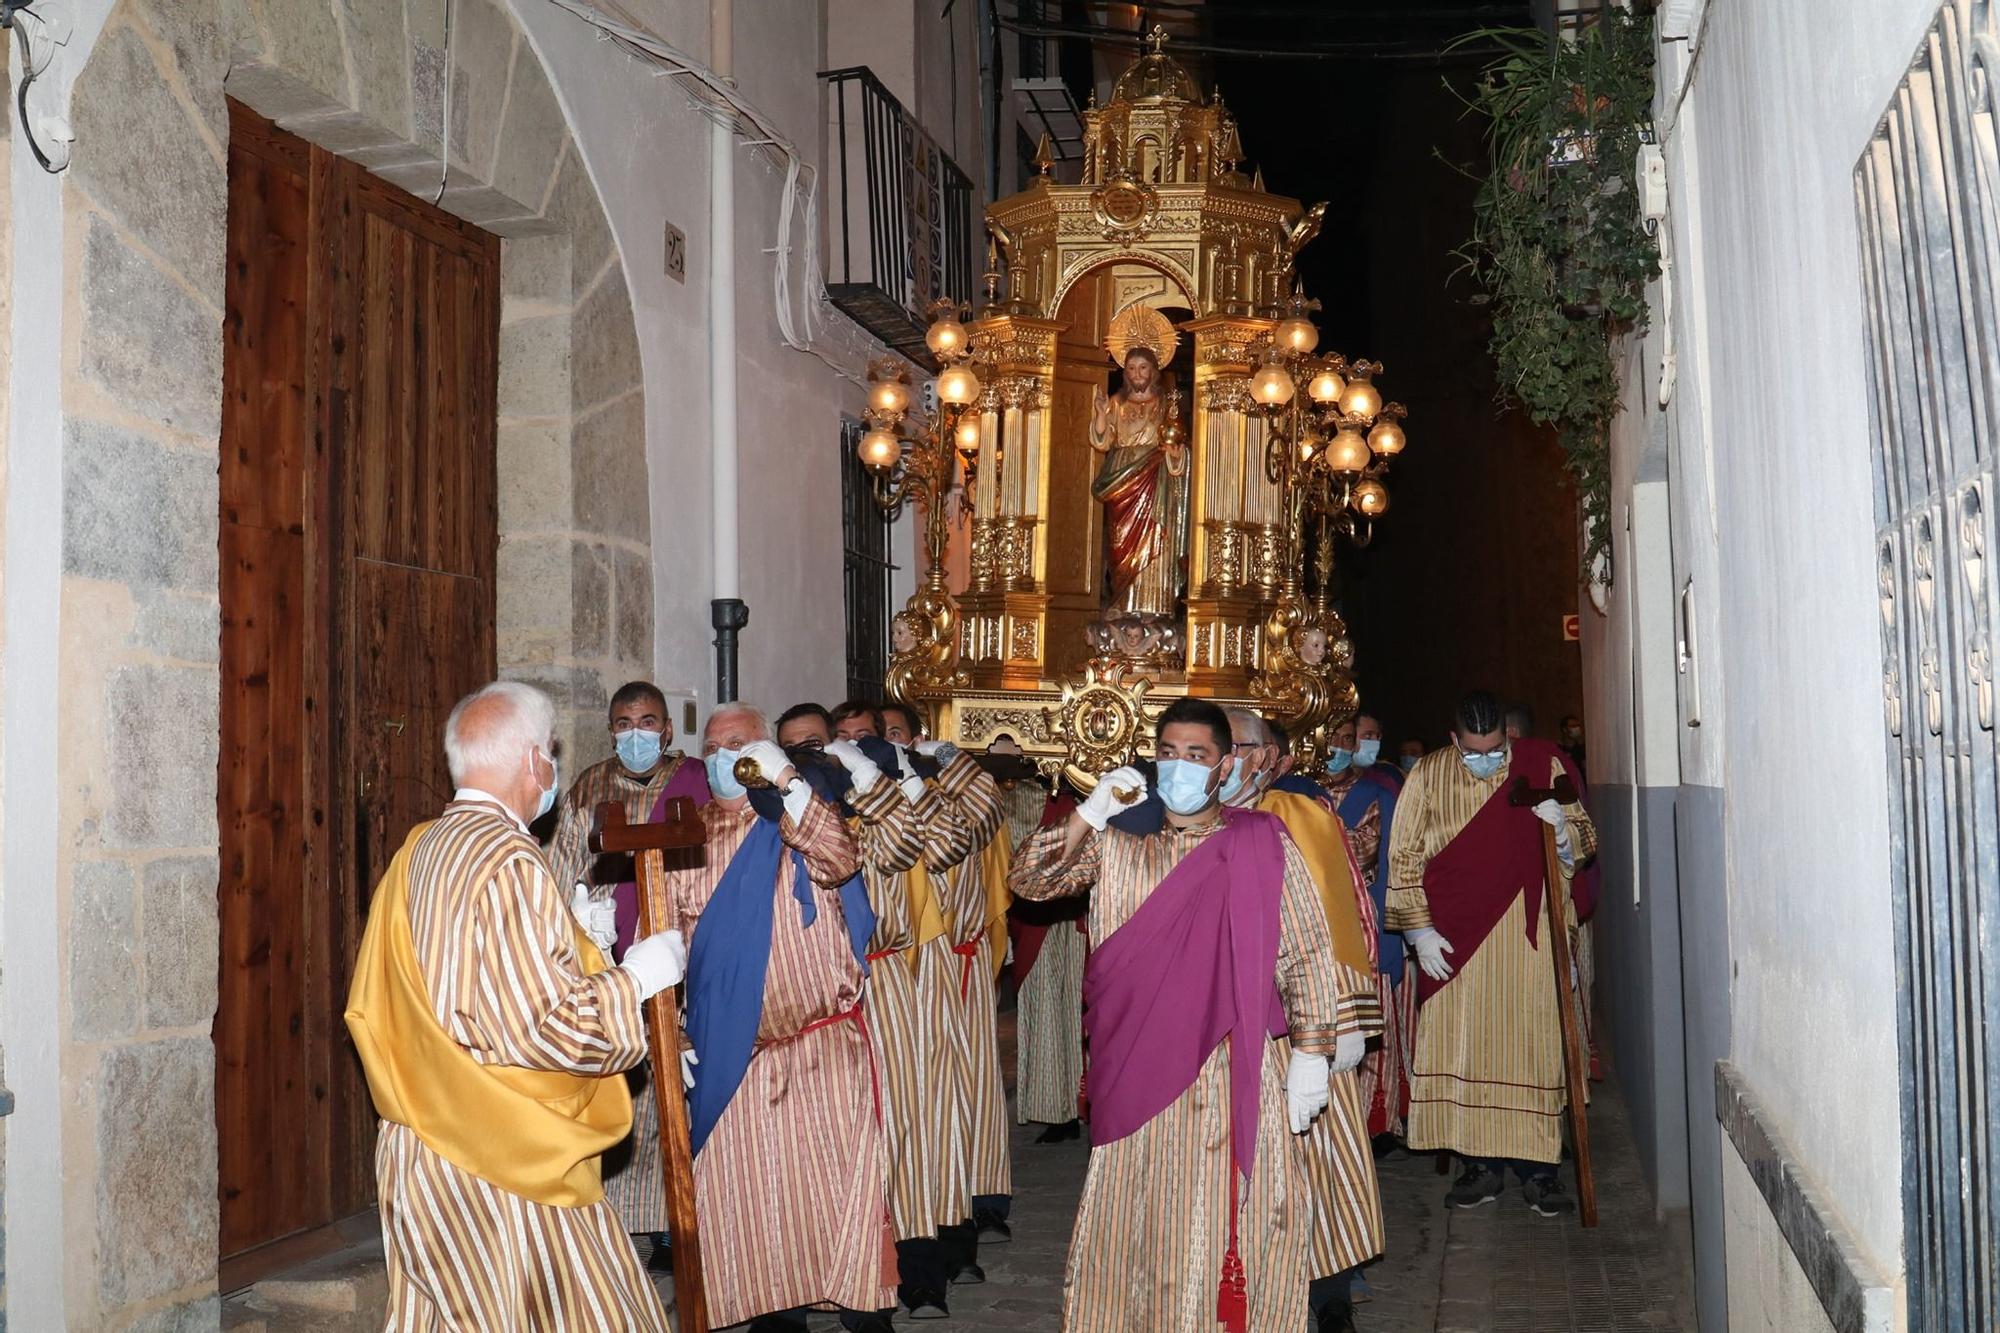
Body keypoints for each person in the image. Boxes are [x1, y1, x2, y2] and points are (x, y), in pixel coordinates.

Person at [345, 680, 684, 1329]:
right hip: (499, 1157)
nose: (552, 767)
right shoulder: (508, 858)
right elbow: (542, 1026)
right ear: (533, 760)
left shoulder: (419, 848)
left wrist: (577, 945)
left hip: (419, 1151)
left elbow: (455, 984)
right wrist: (635, 980)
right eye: (551, 752)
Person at [1009, 697, 1346, 1333]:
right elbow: (1029, 881)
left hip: (1230, 1061)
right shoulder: (1120, 839)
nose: (1181, 766)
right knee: (1135, 1212)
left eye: (1198, 755)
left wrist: (1311, 1050)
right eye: (1169, 753)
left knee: (1227, 1213)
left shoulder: (1261, 843)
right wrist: (1090, 810)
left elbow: (1303, 948)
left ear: (1225, 769)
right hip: (1134, 1064)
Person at [649, 703, 895, 1330]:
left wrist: (788, 787)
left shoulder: (797, 819)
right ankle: (776, 1320)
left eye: (738, 744)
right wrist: (671, 1025)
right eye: (712, 747)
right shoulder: (686, 837)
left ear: (766, 753)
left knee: (840, 1198)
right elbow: (668, 944)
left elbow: (842, 860)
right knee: (759, 1211)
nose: (722, 756)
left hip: (823, 1047)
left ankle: (867, 1315)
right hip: (738, 1057)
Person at [779, 700, 975, 1318]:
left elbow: (936, 845)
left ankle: (919, 1271)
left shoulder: (879, 798)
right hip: (815, 998)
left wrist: (876, 780)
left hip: (888, 980)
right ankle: (824, 1270)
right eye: (804, 748)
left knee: (906, 1130)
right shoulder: (782, 813)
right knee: (827, 1144)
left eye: (828, 744)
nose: (819, 756)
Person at [1384, 690, 1597, 1217]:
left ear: (1509, 738)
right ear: (1454, 740)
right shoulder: (1428, 774)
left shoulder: (1538, 764)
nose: (1486, 761)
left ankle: (1540, 1171)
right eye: (1473, 752)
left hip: (1530, 929)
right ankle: (1479, 1167)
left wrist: (1563, 834)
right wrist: (1419, 932)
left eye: (1495, 750)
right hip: (1454, 938)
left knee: (1532, 1040)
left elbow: (1587, 839)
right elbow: (1404, 855)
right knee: (1467, 1043)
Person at [1223, 708, 1384, 1333]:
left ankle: (1330, 1297)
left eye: (1234, 747)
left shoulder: (1298, 814)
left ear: (1264, 757)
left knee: (1320, 1154)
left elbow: (1343, 917)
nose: (1222, 760)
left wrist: (1340, 1027)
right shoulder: (1189, 823)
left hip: (1303, 1017)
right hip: (1224, 1022)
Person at [546, 680, 710, 1256]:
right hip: (613, 957)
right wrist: (575, 914)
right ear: (610, 729)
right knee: (630, 1095)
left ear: (666, 729)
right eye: (622, 723)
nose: (634, 733)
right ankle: (631, 1226)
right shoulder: (590, 785)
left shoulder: (699, 782)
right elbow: (563, 867)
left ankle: (685, 1222)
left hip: (688, 947)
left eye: (646, 722)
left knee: (687, 1092)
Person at [1320, 714, 1411, 1151]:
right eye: (1333, 738)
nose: (1340, 745)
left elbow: (1378, 859)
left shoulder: (1374, 793)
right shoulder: (1299, 793)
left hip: (1362, 926)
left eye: (1346, 739)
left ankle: (1374, 1120)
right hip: (1312, 929)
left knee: (1369, 1026)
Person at [1089, 345, 1188, 618]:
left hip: (1156, 478)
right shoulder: (1116, 403)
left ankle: (1154, 605)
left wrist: (1176, 455)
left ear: (1154, 370)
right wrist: (1100, 413)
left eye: (1143, 367)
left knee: (1156, 537)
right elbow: (1102, 441)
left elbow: (1179, 442)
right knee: (1119, 543)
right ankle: (1121, 603)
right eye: (1131, 368)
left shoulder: (1167, 404)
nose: (1137, 373)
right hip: (1121, 480)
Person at [1354, 709, 1405, 794]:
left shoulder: (1388, 776)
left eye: (1378, 737)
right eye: (1368, 736)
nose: (1375, 742)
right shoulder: (1329, 777)